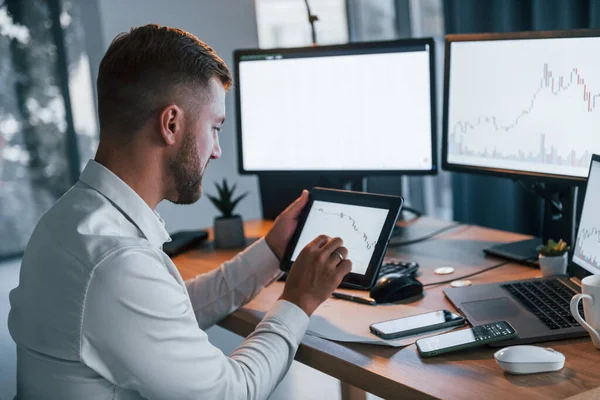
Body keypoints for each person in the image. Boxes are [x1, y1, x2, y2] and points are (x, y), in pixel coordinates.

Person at [8, 24, 352, 399]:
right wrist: (299, 300)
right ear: (171, 124)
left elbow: (167, 312)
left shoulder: (72, 220)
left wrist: (271, 251)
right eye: (215, 127)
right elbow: (232, 393)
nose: (217, 150)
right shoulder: (116, 264)